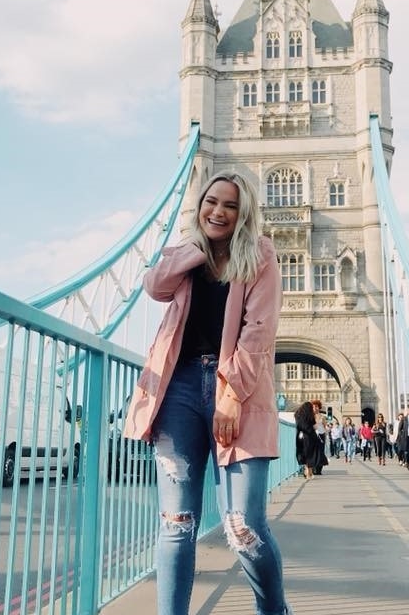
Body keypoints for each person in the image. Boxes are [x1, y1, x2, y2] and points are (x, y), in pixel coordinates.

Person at [123, 170, 292, 615]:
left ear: (244, 213)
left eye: (230, 205)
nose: (218, 211)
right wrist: (190, 253)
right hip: (176, 390)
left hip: (235, 389)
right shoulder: (186, 254)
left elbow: (259, 331)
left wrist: (231, 393)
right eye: (211, 202)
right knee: (176, 525)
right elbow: (154, 286)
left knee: (242, 526)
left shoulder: (259, 256)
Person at [294, 400, 322, 480]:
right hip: (309, 437)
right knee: (311, 455)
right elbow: (315, 427)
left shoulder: (297, 415)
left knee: (304, 455)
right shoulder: (309, 416)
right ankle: (309, 472)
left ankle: (308, 472)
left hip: (300, 437)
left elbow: (299, 426)